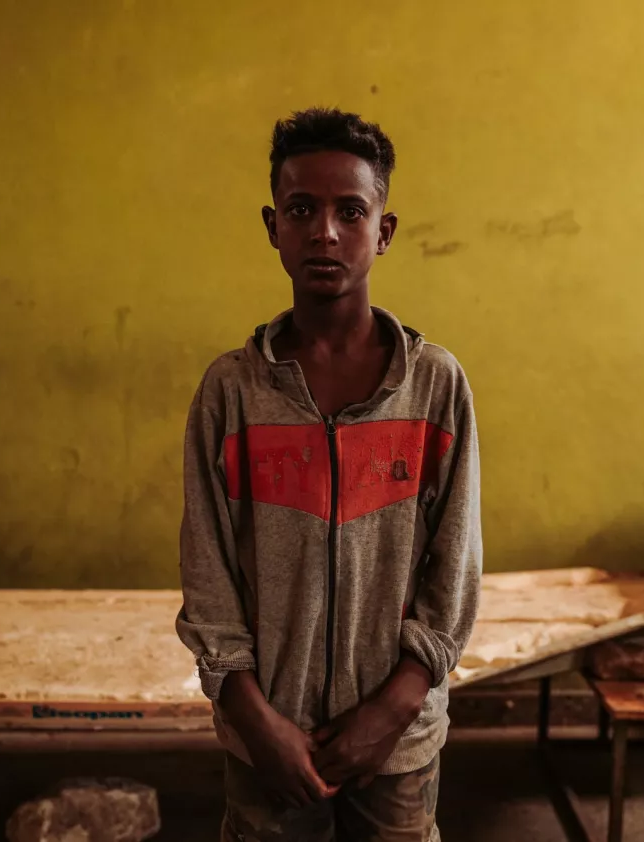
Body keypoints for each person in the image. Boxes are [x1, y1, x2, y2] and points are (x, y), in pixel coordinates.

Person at [176, 107, 482, 842]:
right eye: (300, 210)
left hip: (397, 741)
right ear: (272, 225)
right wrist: (256, 721)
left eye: (350, 211)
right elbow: (207, 572)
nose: (324, 232)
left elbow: (455, 567)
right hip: (267, 741)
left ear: (384, 230)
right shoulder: (232, 392)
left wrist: (393, 708)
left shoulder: (433, 386)